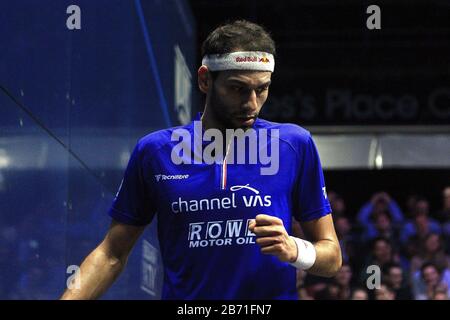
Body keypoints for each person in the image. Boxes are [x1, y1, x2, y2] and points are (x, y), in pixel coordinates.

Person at [60, 20, 341, 300]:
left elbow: (332, 256)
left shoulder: (294, 144)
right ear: (205, 79)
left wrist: (295, 249)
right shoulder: (155, 151)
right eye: (238, 88)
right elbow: (111, 254)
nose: (252, 103)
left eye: (261, 89)